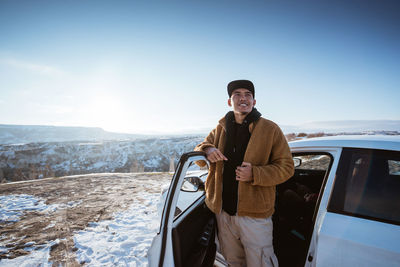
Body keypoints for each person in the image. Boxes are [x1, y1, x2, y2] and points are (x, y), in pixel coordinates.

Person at [194, 80, 294, 267]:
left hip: (255, 215)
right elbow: (199, 154)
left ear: (254, 101)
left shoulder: (270, 129)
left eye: (248, 94)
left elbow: (287, 167)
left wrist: (255, 174)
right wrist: (207, 150)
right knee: (233, 262)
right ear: (229, 101)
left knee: (261, 262)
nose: (243, 98)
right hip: (223, 213)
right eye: (237, 94)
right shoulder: (220, 128)